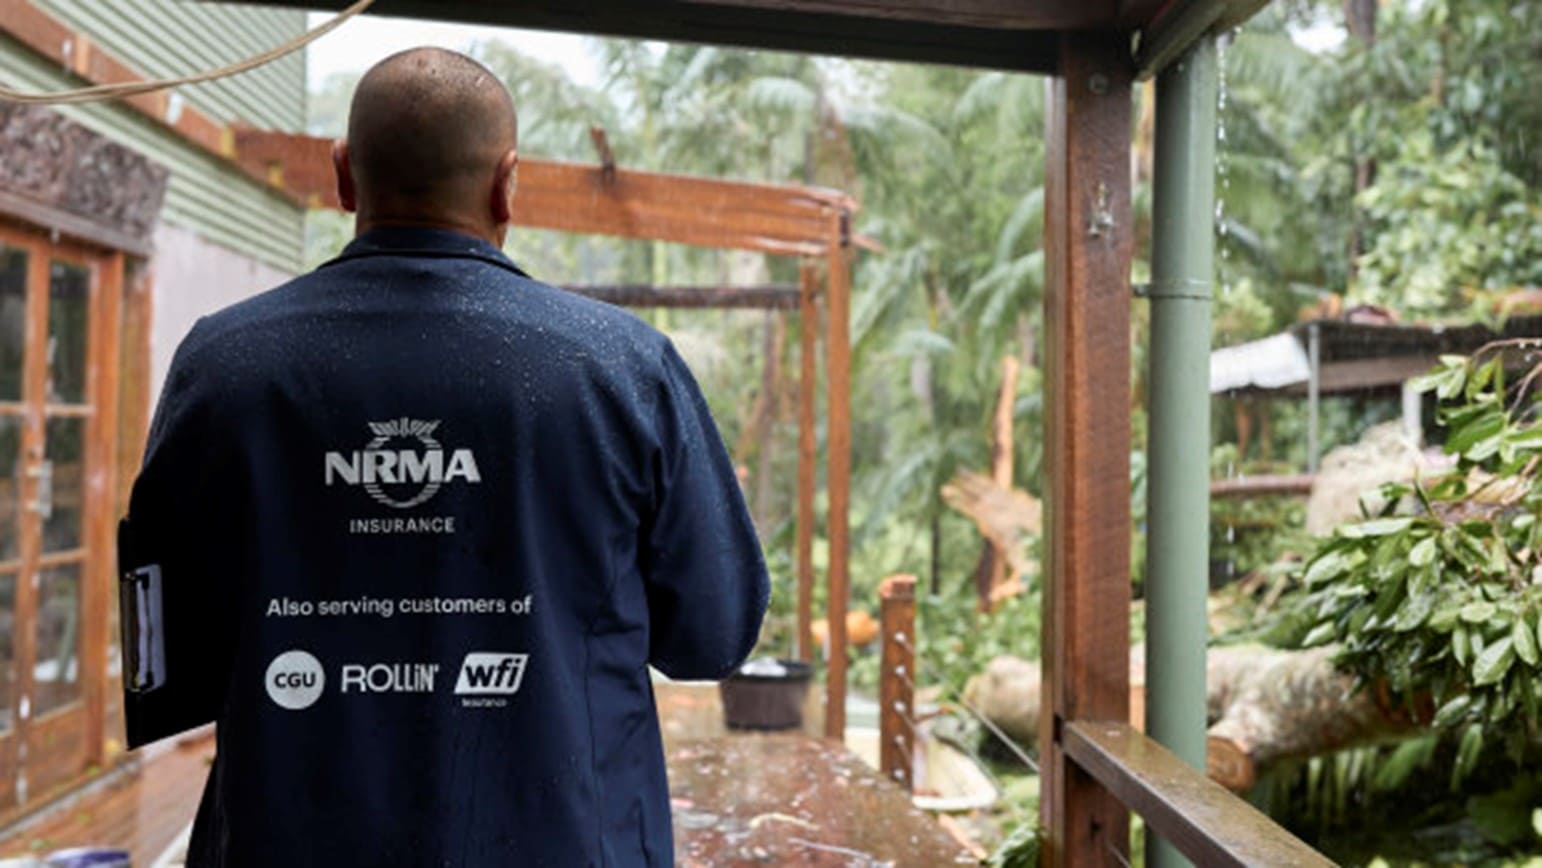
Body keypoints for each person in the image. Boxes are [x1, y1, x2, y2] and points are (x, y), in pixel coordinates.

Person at [118, 47, 769, 866]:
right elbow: (712, 636)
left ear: (346, 176)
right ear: (507, 184)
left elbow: (170, 644)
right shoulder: (621, 368)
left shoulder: (223, 366)